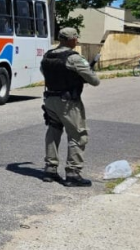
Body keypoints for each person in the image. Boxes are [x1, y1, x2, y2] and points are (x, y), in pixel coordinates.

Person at [40, 27, 101, 187]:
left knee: (53, 132)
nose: (77, 40)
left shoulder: (47, 56)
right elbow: (94, 81)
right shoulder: (74, 58)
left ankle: (50, 170)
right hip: (68, 103)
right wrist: (85, 71)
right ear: (70, 39)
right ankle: (73, 174)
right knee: (77, 136)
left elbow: (45, 73)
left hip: (50, 99)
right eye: (76, 38)